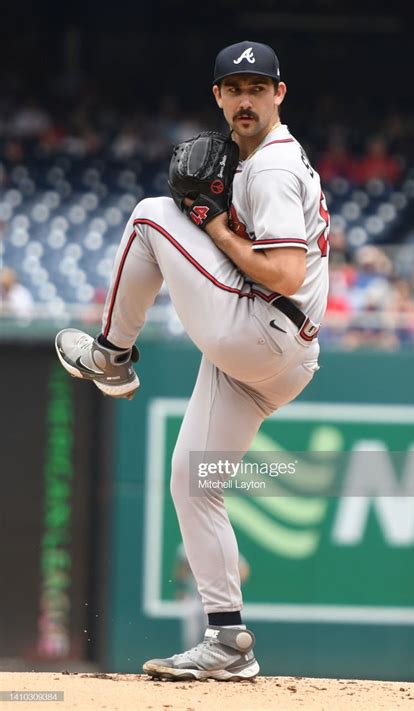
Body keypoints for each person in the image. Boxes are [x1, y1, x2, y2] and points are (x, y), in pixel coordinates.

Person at [55, 40, 329, 680]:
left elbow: (286, 272)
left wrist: (211, 223)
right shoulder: (253, 160)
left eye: (258, 88)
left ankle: (111, 355)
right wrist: (217, 217)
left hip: (263, 328)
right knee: (192, 480)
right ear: (218, 96)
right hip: (277, 359)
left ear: (279, 95)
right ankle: (228, 641)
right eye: (234, 89)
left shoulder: (271, 169)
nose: (245, 99)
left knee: (153, 215)